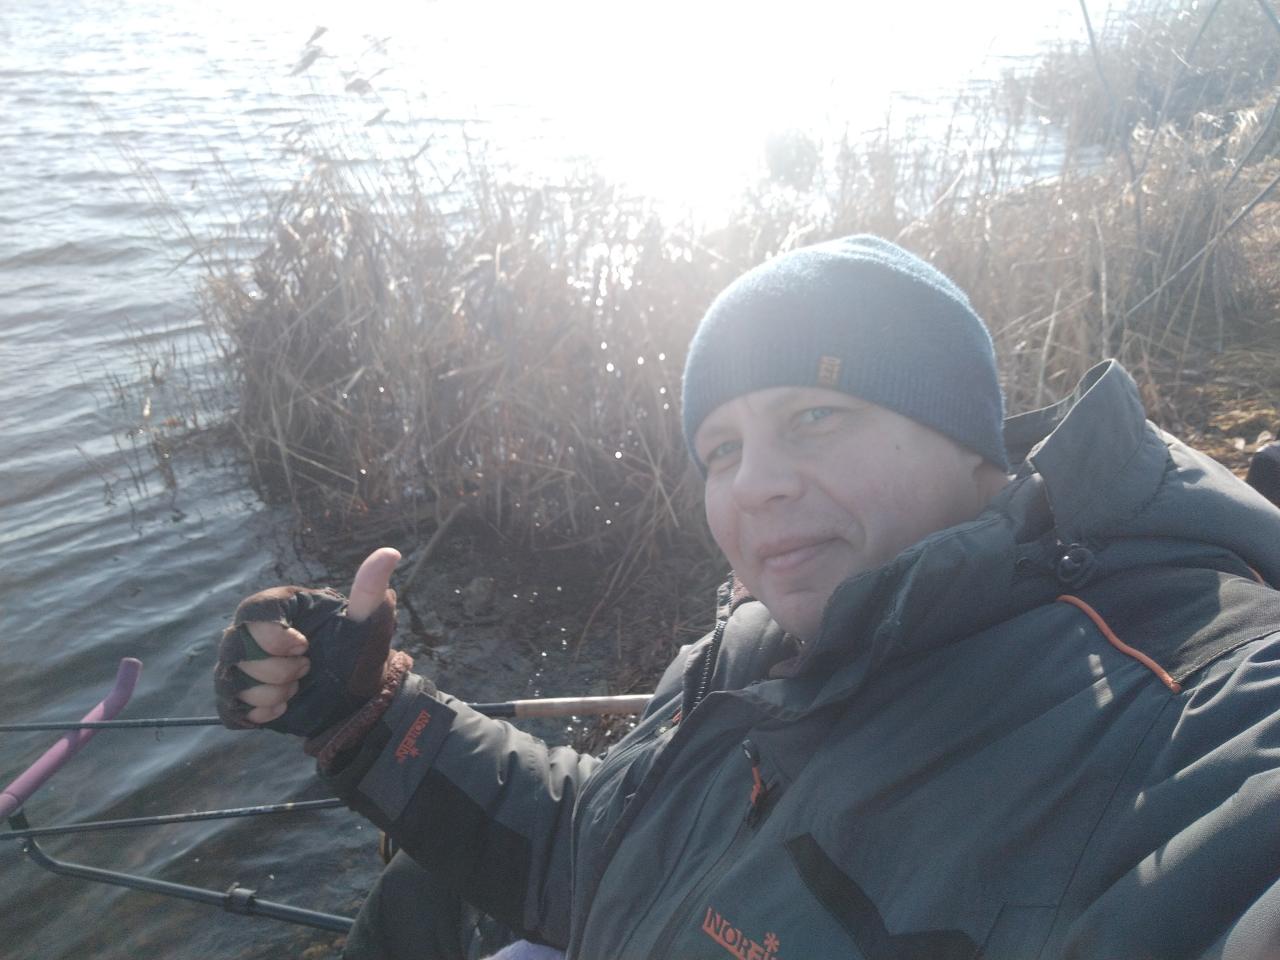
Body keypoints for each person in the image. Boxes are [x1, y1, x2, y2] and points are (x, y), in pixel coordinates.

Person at [216, 235, 1280, 959]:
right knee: (417, 899)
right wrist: (374, 720)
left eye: (815, 416)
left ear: (972, 445)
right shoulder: (748, 650)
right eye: (720, 449)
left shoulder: (1179, 711)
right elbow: (600, 852)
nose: (753, 485)